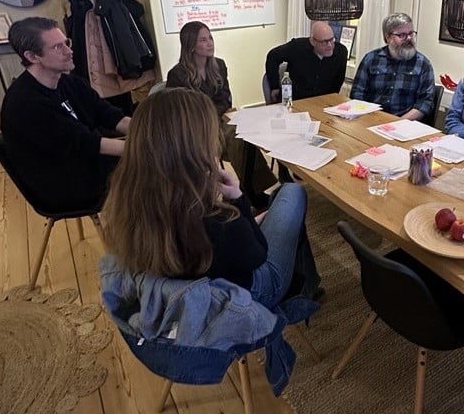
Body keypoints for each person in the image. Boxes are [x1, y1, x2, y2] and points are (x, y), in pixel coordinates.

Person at [100, 88, 321, 308]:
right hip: (247, 297)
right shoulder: (214, 218)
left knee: (276, 203)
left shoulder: (129, 197)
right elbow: (258, 254)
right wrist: (238, 200)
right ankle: (303, 290)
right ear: (194, 145)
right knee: (291, 192)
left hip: (188, 291)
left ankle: (307, 283)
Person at [0, 17, 130, 212]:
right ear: (33, 56)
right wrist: (145, 147)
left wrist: (149, 133)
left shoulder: (69, 83)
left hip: (83, 162)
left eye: (66, 43)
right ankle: (142, 237)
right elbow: (87, 143)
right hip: (61, 183)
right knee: (154, 174)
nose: (69, 51)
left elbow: (110, 115)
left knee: (161, 166)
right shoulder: (25, 103)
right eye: (57, 48)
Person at [166, 21, 277, 207]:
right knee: (228, 137)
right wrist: (213, 112)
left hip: (217, 118)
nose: (210, 43)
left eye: (210, 37)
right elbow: (181, 111)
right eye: (203, 40)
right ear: (190, 45)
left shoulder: (219, 65)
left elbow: (226, 99)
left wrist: (214, 110)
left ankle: (249, 189)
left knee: (242, 134)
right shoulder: (177, 75)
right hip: (194, 126)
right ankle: (244, 192)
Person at [350, 13, 434, 120]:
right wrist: (368, 118)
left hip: (404, 124)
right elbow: (357, 94)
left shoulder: (423, 64)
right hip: (369, 119)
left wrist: (398, 122)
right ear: (387, 37)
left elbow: (425, 103)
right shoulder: (371, 59)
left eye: (411, 33)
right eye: (402, 35)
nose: (409, 38)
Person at [265, 21, 348, 102]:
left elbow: (338, 81)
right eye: (324, 42)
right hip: (295, 100)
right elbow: (273, 56)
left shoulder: (341, 52)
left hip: (323, 102)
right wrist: (274, 86)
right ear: (313, 41)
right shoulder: (297, 47)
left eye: (331, 40)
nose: (330, 45)